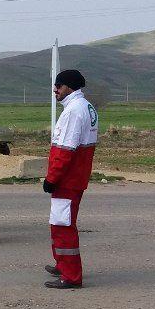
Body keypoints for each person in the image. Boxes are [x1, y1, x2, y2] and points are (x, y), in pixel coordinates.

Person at [43, 69, 98, 288]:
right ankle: (62, 264)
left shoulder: (74, 111)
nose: (55, 89)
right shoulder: (86, 106)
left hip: (67, 178)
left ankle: (71, 275)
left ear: (70, 87)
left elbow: (65, 149)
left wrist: (52, 178)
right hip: (76, 176)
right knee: (62, 222)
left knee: (62, 225)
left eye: (59, 85)